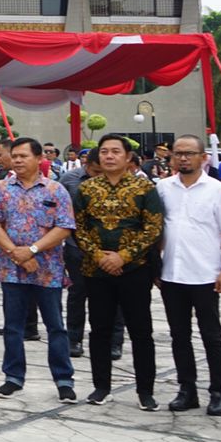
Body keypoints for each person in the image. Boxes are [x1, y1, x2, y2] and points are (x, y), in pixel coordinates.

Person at [74, 133, 165, 410]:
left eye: (115, 151)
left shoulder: (144, 188)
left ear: (128, 158)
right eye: (104, 152)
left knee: (141, 331)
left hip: (135, 269)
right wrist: (99, 256)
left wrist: (123, 256)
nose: (109, 156)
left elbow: (153, 228)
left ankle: (145, 391)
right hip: (96, 269)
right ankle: (101, 387)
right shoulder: (87, 189)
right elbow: (78, 227)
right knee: (99, 330)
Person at [0, 137, 77, 402]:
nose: (18, 160)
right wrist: (17, 253)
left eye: (23, 156)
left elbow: (64, 227)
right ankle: (13, 377)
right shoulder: (1, 188)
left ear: (39, 159)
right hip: (11, 268)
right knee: (13, 326)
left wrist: (32, 250)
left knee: (55, 326)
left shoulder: (55, 190)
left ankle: (63, 380)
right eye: (15, 156)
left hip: (48, 269)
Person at [156, 135, 221, 416]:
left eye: (189, 153)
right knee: (179, 336)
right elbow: (158, 230)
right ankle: (186, 390)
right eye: (178, 153)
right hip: (172, 275)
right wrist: (156, 266)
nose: (183, 158)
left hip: (205, 275)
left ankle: (218, 392)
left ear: (203, 157)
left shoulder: (218, 190)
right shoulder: (163, 188)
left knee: (212, 337)